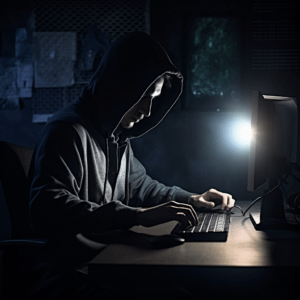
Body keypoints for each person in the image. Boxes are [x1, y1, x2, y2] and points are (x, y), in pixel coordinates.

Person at [27, 32, 235, 299]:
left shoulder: (115, 136)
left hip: (104, 261)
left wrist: (192, 199)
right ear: (120, 83)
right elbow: (47, 207)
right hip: (67, 273)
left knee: (193, 286)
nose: (148, 110)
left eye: (155, 97)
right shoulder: (67, 131)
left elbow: (142, 187)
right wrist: (137, 216)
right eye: (144, 94)